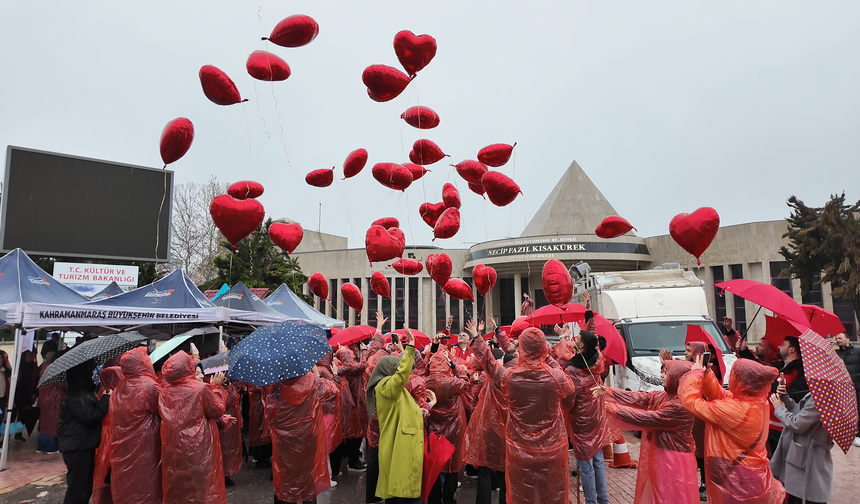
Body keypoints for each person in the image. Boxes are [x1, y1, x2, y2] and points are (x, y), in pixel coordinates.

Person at [468, 321, 576, 504]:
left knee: (520, 493)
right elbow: (570, 390)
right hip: (552, 448)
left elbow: (491, 366)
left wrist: (477, 338)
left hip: (519, 448)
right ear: (544, 348)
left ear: (523, 349)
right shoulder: (555, 376)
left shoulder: (512, 377)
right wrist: (548, 359)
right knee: (551, 493)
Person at [678, 355, 785, 504]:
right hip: (748, 474)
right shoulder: (756, 402)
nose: (730, 378)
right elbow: (721, 395)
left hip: (737, 478)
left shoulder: (737, 409)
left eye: (733, 375)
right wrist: (707, 375)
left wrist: (695, 375)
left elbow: (691, 402)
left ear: (742, 382)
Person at [596, 360, 699, 504]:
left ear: (678, 377)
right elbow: (640, 397)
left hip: (675, 459)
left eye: (667, 372)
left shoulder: (681, 405)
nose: (662, 375)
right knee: (658, 491)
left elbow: (650, 418)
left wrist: (614, 409)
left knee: (672, 494)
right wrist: (608, 391)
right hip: (661, 454)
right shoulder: (663, 396)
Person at [158, 352, 228, 504]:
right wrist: (216, 387)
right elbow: (217, 410)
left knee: (178, 486)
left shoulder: (164, 391)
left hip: (173, 448)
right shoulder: (201, 388)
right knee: (201, 487)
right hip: (198, 447)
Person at [371, 327, 427, 504]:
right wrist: (409, 347)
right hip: (398, 447)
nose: (398, 370)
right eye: (394, 367)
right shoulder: (385, 385)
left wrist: (422, 411)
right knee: (400, 494)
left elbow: (404, 407)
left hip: (402, 446)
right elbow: (401, 376)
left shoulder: (391, 388)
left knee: (404, 492)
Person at [267, 364, 337, 504]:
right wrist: (317, 375)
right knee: (307, 478)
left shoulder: (275, 385)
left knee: (285, 478)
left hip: (284, 442)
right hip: (307, 438)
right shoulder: (312, 380)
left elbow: (269, 415)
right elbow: (333, 391)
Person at [110, 347, 162, 504]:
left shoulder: (119, 387)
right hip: (146, 448)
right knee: (147, 485)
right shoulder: (149, 386)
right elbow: (165, 409)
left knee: (126, 485)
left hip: (122, 447)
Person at [769, 378, 833, 504]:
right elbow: (798, 412)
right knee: (797, 491)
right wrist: (785, 397)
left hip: (809, 455)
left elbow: (797, 424)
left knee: (804, 493)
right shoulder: (817, 393)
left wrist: (779, 408)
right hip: (804, 452)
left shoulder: (821, 399)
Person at [564, 330, 610, 504]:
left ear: (582, 345)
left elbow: (568, 398)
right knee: (598, 460)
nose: (575, 339)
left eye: (578, 339)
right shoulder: (597, 360)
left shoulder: (573, 369)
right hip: (596, 417)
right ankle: (603, 500)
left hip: (582, 421)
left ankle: (591, 501)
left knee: (585, 465)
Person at [57, 361, 110, 504]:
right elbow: (90, 416)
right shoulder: (76, 395)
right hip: (76, 448)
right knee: (77, 490)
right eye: (88, 371)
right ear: (80, 375)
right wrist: (105, 399)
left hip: (83, 445)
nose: (92, 373)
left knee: (85, 486)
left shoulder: (83, 392)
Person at [425, 347, 470, 504]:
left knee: (433, 464)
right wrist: (454, 364)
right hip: (453, 426)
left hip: (432, 427)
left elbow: (417, 374)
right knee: (451, 465)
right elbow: (466, 381)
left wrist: (427, 360)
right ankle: (449, 499)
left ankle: (434, 499)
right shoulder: (452, 382)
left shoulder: (425, 381)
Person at [37, 351, 67, 454]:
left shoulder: (45, 368)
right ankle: (51, 447)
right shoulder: (58, 369)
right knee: (53, 423)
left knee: (45, 422)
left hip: (44, 398)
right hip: (55, 400)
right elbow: (62, 386)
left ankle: (42, 446)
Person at [833, 332, 860, 447]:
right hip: (842, 389)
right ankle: (846, 434)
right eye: (836, 338)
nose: (838, 340)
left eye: (840, 338)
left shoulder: (858, 352)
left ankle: (858, 436)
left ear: (848, 339)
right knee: (843, 412)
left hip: (857, 387)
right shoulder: (835, 354)